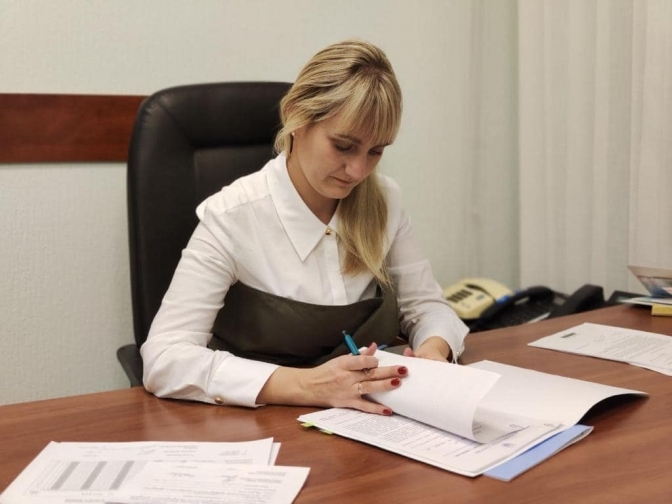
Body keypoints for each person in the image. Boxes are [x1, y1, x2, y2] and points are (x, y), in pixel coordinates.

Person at [141, 39, 469, 417]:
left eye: (376, 151)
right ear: (296, 118)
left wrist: (432, 351)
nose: (358, 171)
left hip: (369, 419)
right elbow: (164, 357)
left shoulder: (385, 201)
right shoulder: (232, 216)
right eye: (343, 146)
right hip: (258, 422)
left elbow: (427, 307)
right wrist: (308, 385)